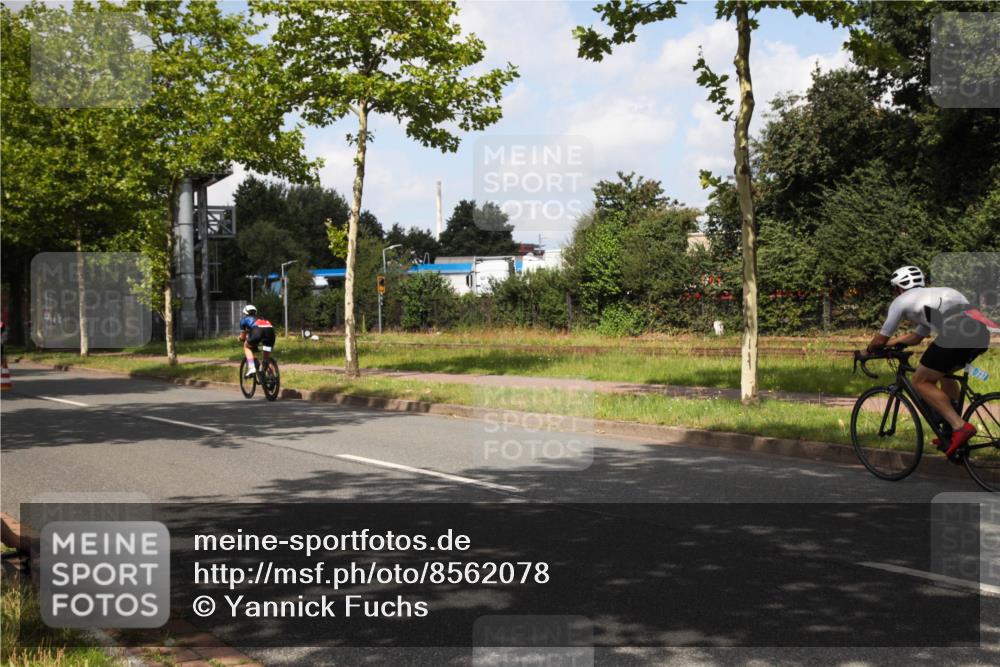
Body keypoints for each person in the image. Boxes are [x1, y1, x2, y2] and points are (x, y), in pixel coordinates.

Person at [864, 266, 992, 459]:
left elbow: (880, 340)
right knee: (944, 375)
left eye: (895, 288)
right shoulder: (933, 297)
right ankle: (950, 431)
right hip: (981, 333)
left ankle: (959, 426)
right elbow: (915, 338)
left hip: (955, 334)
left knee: (920, 381)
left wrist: (868, 351)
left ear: (899, 287)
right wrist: (892, 344)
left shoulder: (901, 301)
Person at [238, 305, 275, 377]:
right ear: (255, 312)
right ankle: (271, 378)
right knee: (266, 356)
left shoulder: (244, 320)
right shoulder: (262, 318)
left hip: (258, 332)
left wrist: (240, 338)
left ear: (245, 312)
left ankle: (251, 368)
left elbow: (243, 337)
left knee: (246, 346)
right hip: (270, 334)